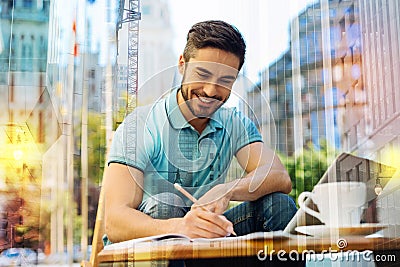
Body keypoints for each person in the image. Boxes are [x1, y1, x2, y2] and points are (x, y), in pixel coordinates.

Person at [103, 20, 297, 244]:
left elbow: (279, 176)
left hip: (206, 247)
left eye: (225, 80)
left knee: (279, 205)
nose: (210, 90)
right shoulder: (139, 125)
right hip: (148, 250)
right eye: (202, 75)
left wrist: (227, 190)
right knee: (166, 206)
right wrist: (183, 226)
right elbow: (115, 221)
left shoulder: (233, 122)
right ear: (182, 65)